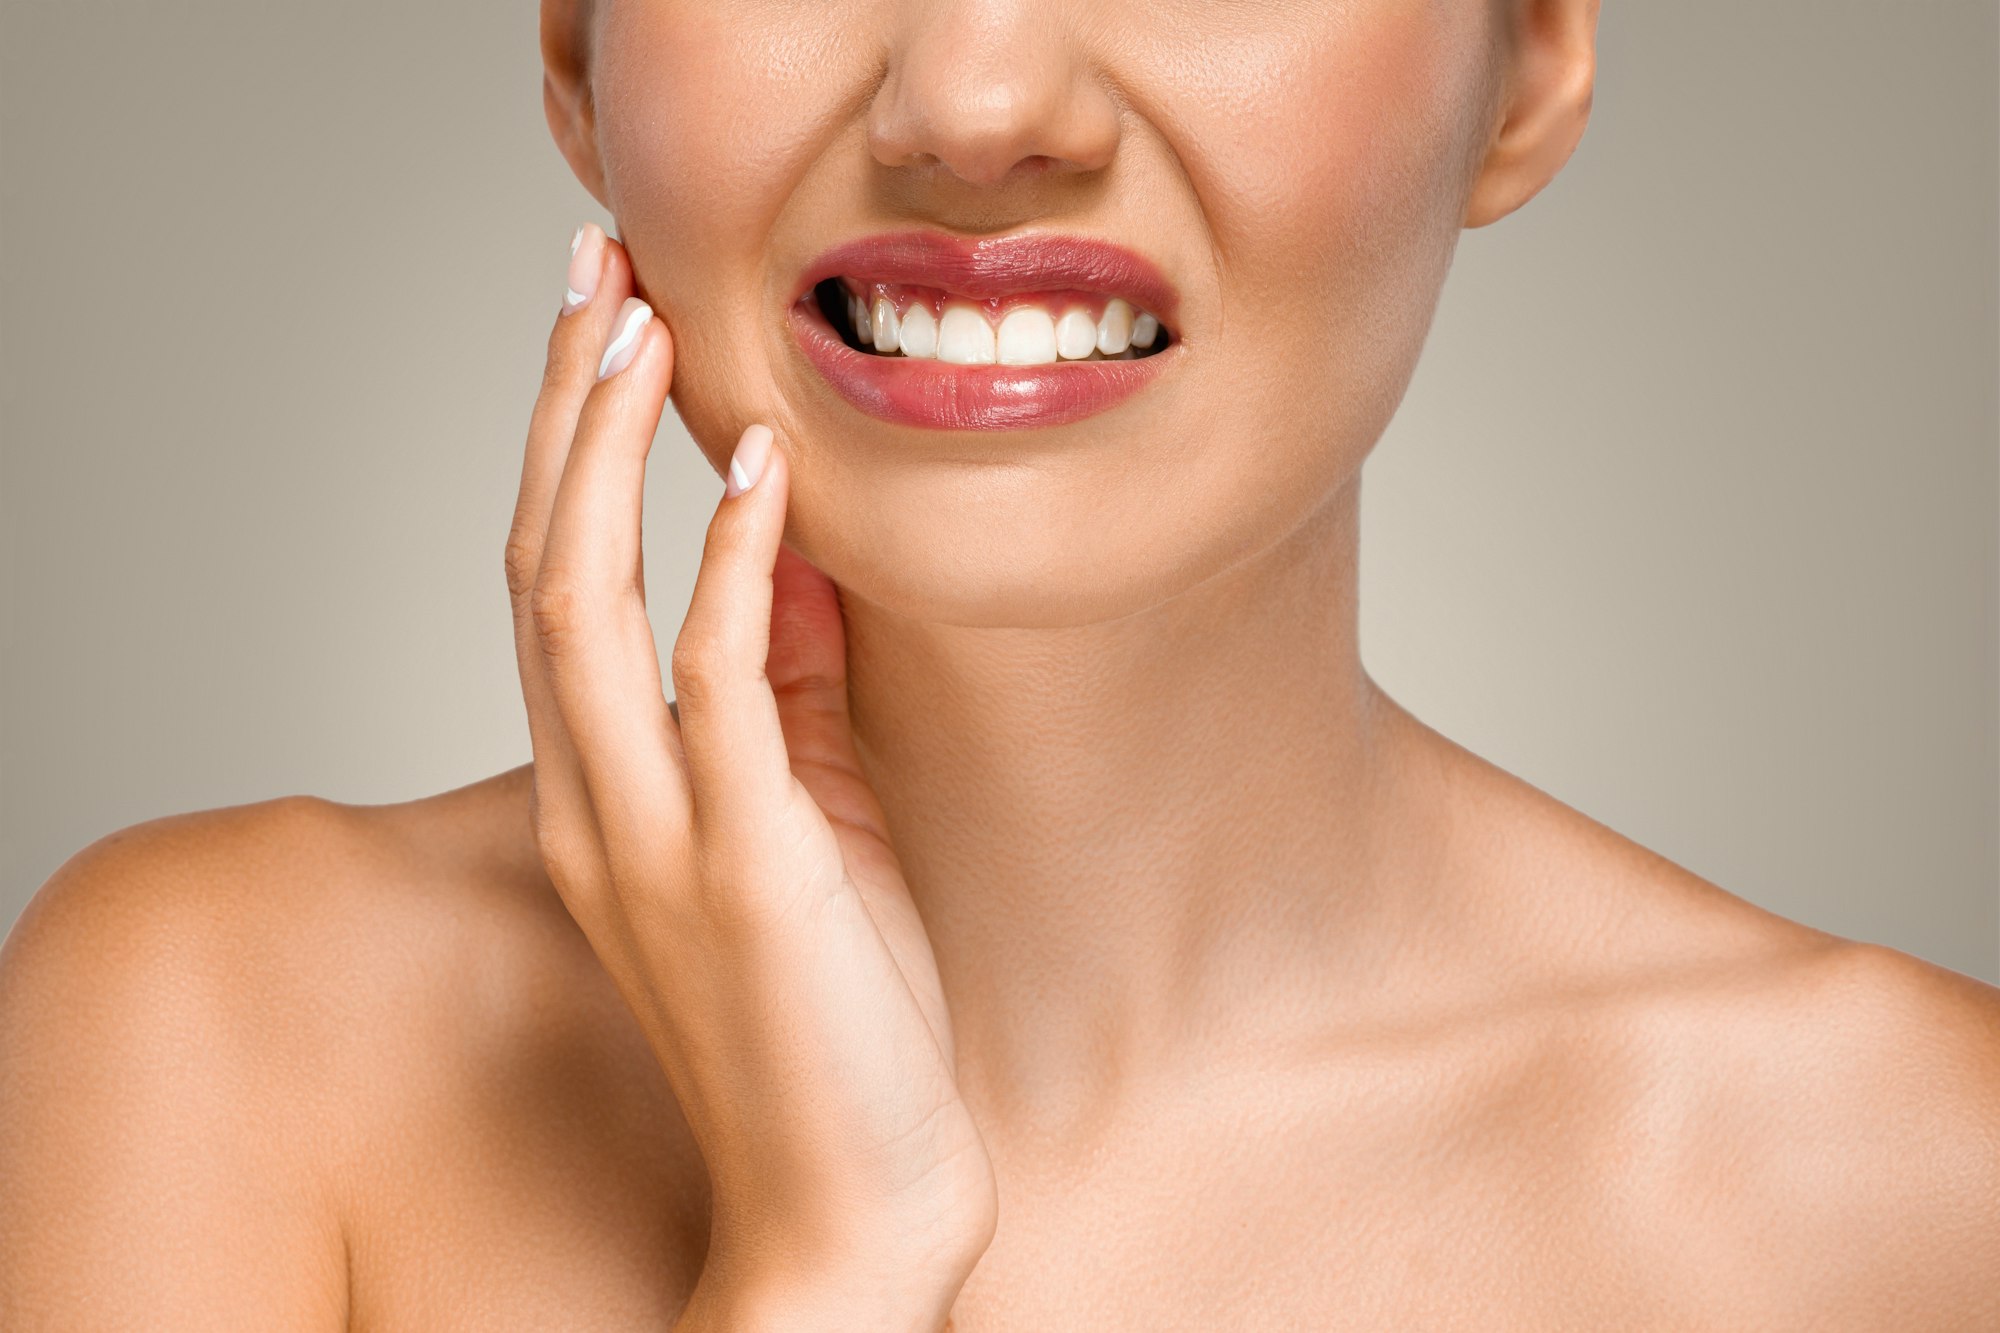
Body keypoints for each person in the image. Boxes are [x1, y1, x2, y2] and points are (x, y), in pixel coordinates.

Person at [3, 0, 1995, 1327]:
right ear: (574, 53)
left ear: (1533, 64)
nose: (974, 108)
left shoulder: (1921, 1202)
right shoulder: (210, 1030)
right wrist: (819, 1263)